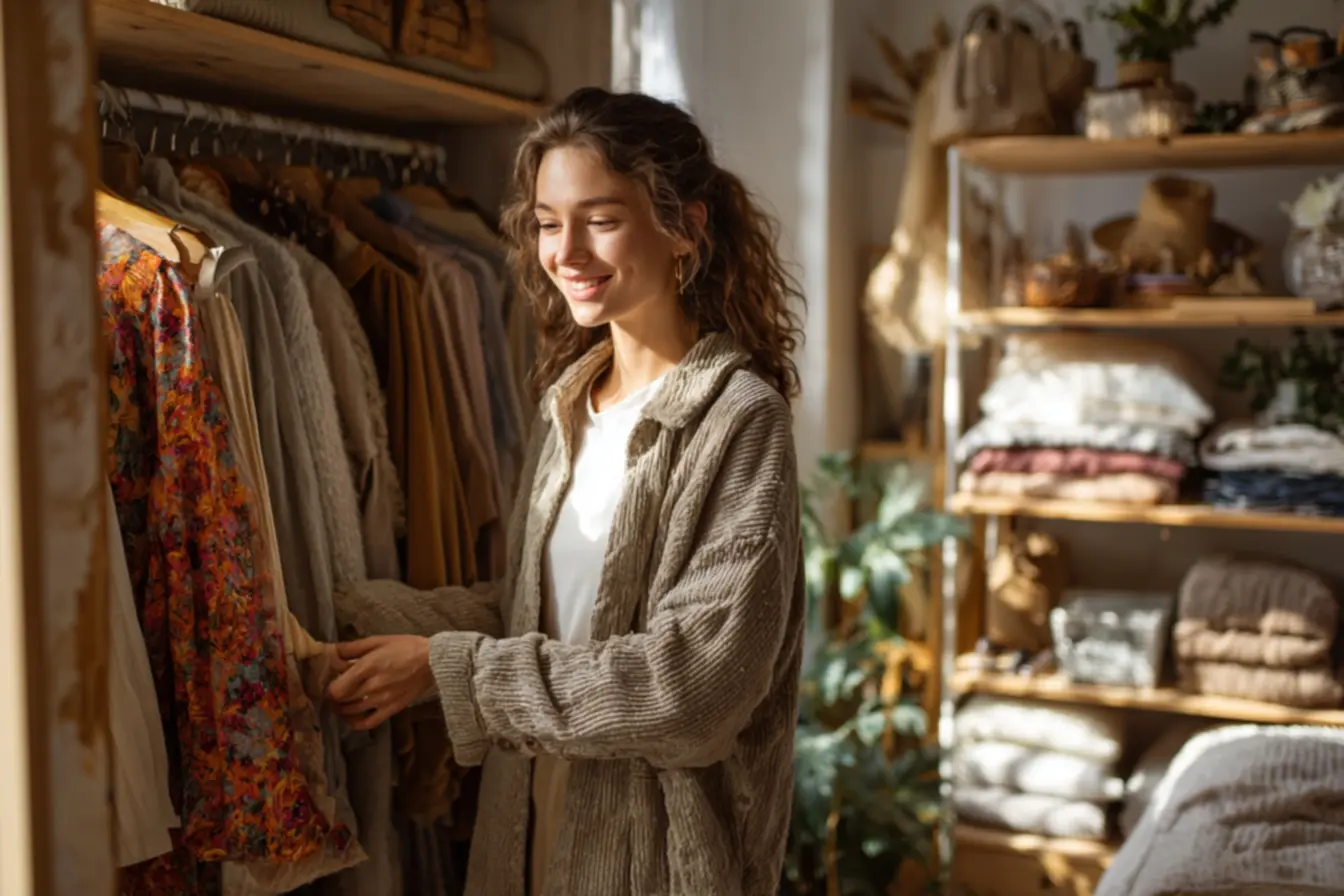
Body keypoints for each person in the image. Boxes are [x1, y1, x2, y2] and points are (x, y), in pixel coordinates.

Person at [327, 86, 807, 896]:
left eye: (602, 218)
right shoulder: (570, 405)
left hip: (657, 870)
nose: (567, 252)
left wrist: (453, 673)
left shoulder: (738, 420)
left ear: (686, 227)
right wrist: (349, 617)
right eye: (549, 223)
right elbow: (539, 616)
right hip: (524, 842)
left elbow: (691, 692)